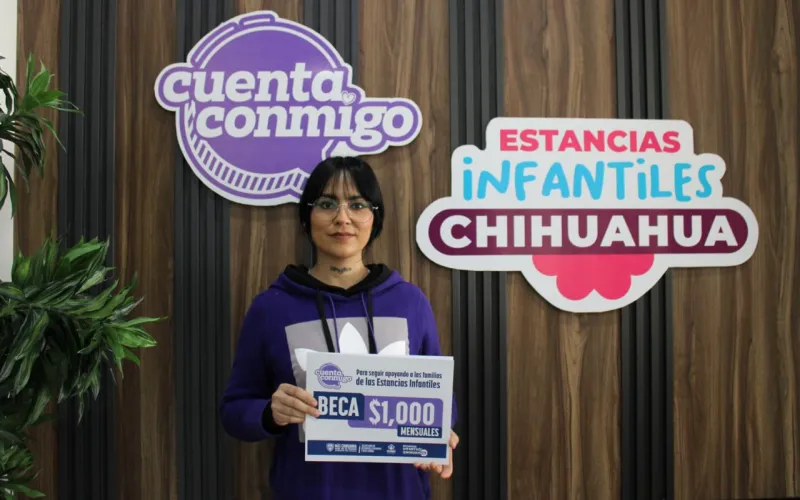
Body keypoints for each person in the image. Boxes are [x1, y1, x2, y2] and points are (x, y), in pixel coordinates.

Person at [220, 156, 459, 500]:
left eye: (357, 205)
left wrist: (441, 431)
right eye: (327, 204)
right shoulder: (270, 308)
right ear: (306, 217)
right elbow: (233, 411)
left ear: (374, 217)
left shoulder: (410, 302)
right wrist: (270, 413)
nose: (342, 218)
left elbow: (440, 397)